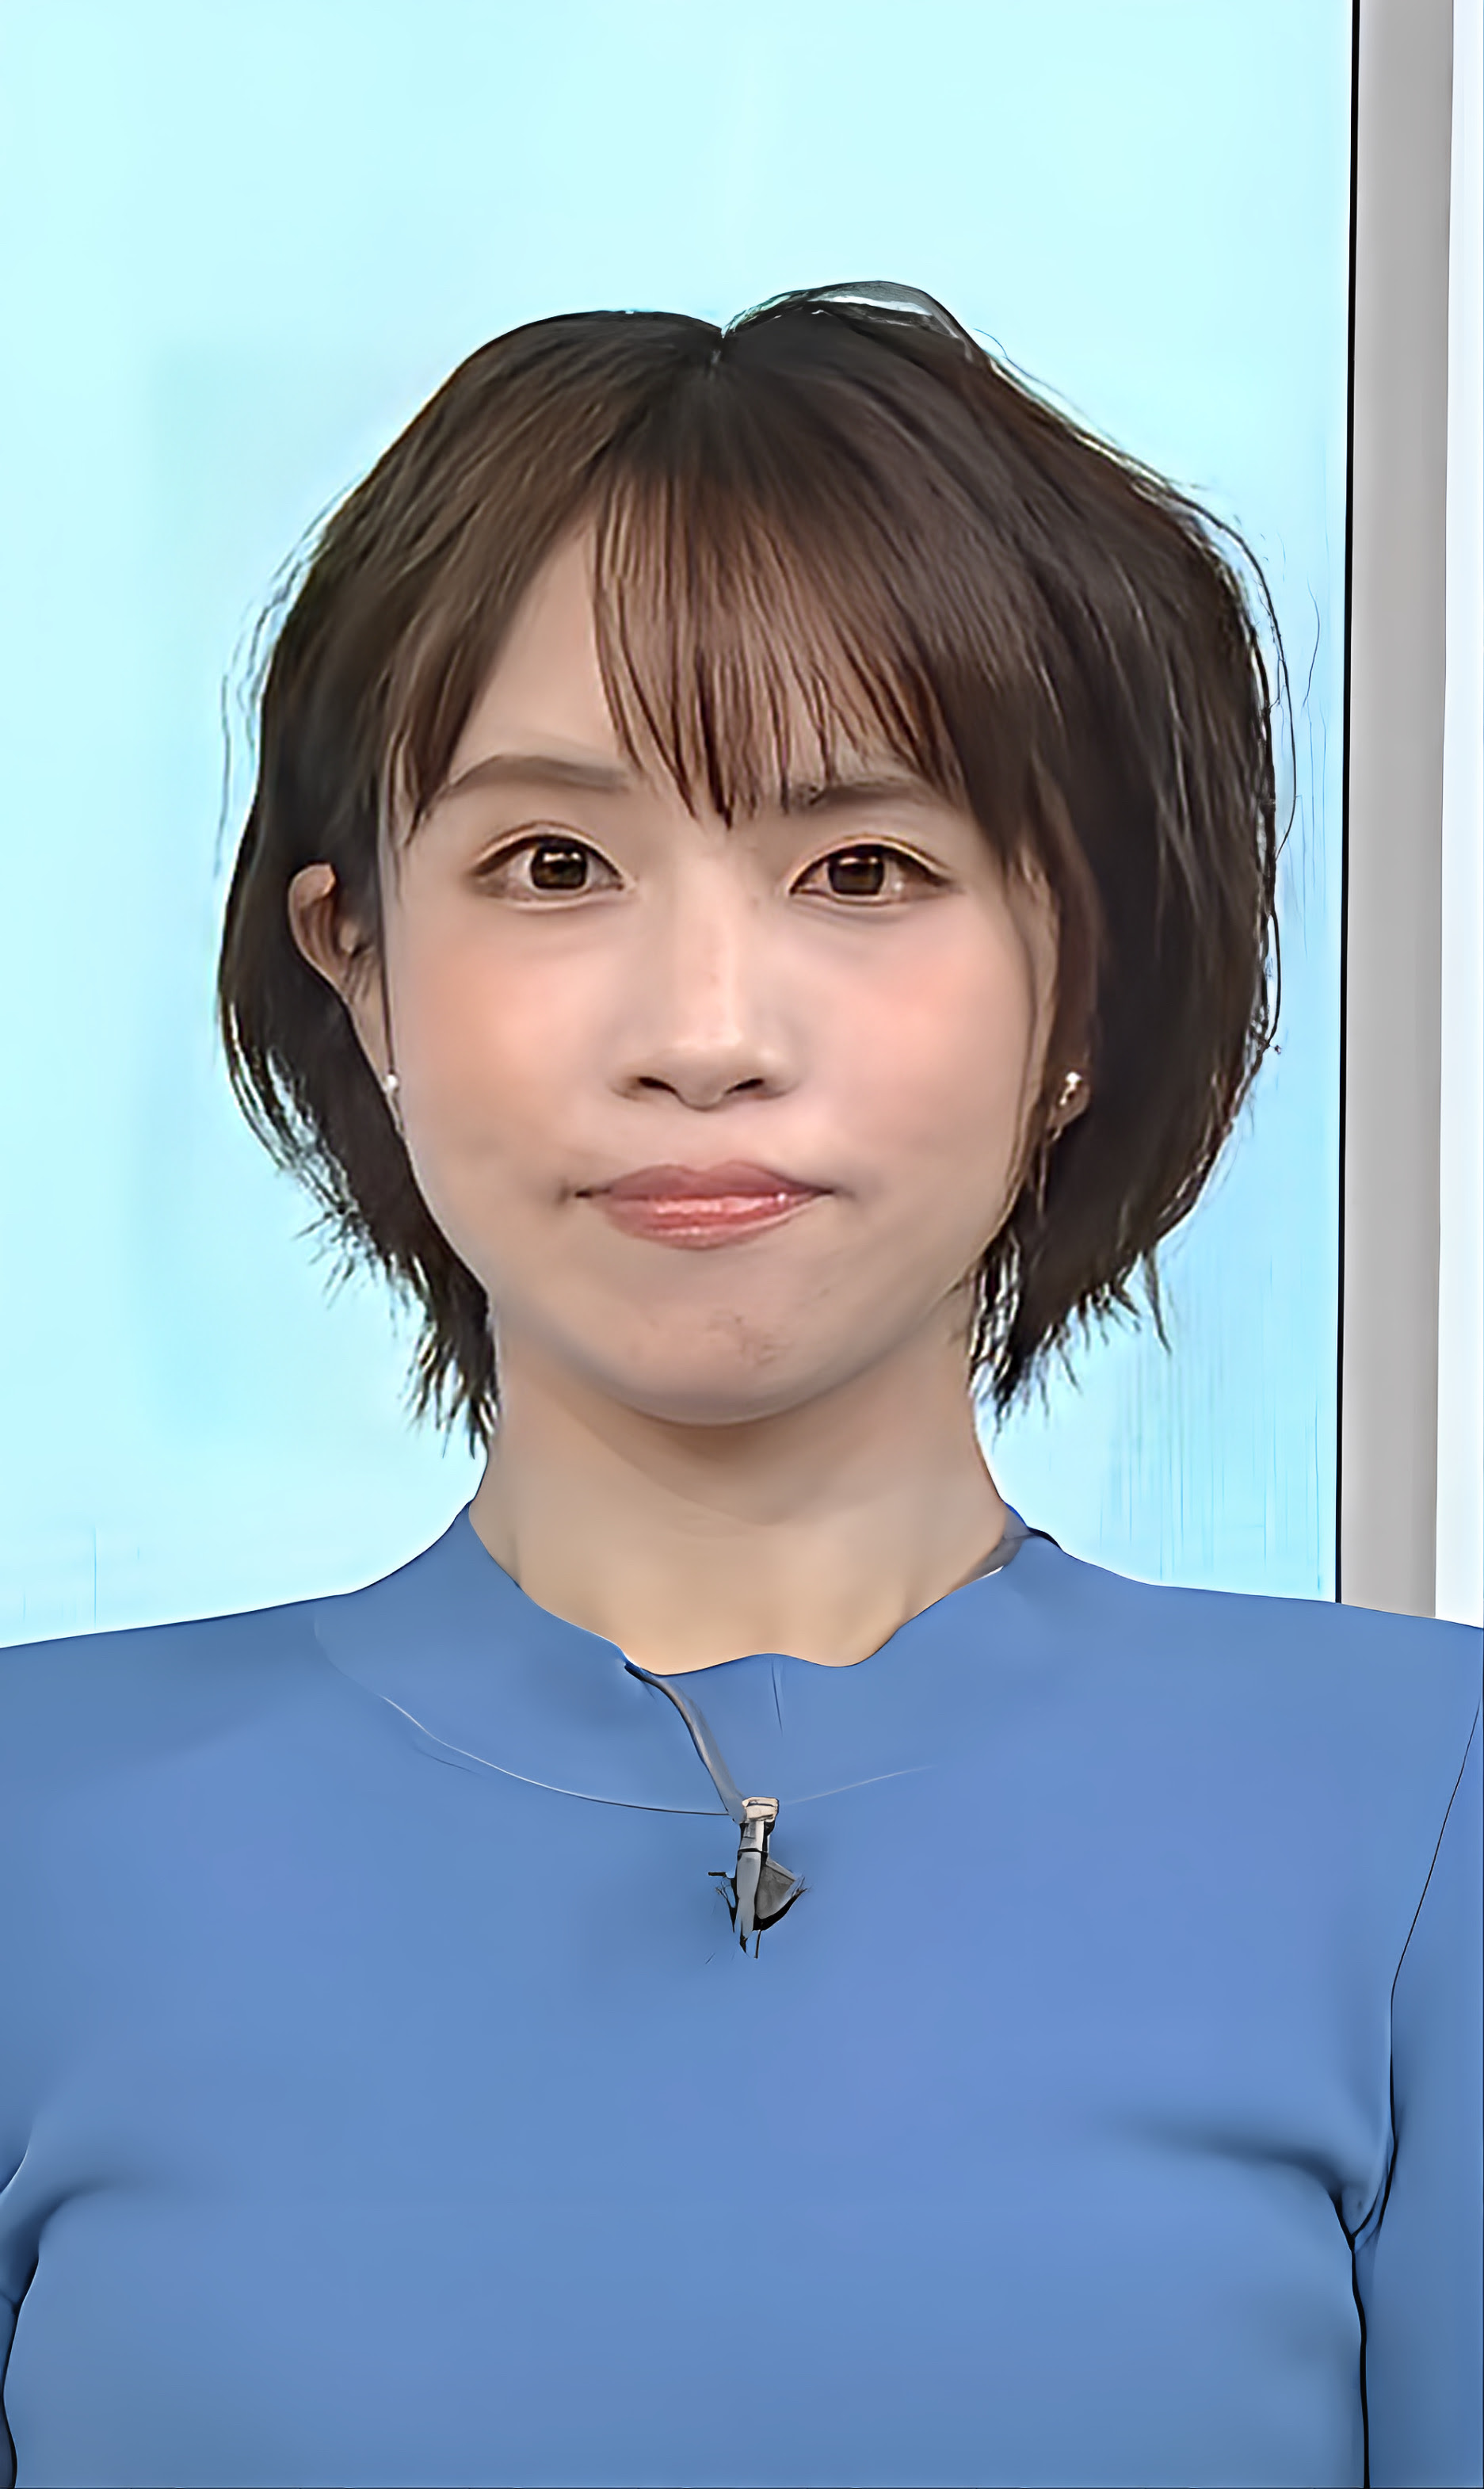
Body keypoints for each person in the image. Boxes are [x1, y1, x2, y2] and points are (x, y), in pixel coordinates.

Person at [0, 284, 1478, 2489]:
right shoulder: (36, 1836)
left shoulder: (1430, 1817)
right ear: (358, 963)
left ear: (1086, 981)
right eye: (555, 867)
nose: (704, 1031)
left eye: (862, 868)